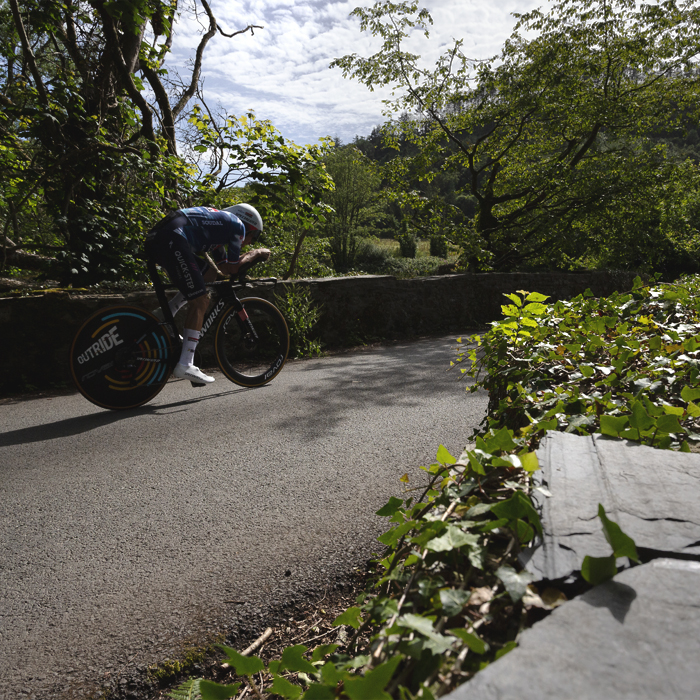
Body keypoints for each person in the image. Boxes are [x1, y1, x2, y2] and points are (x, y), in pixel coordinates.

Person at [144, 204, 270, 385]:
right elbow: (234, 268)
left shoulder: (218, 229)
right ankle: (186, 363)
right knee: (201, 300)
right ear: (248, 226)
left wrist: (244, 258)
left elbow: (224, 269)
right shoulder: (237, 226)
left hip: (161, 237)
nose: (250, 242)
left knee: (208, 275)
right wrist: (256, 253)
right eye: (254, 236)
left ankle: (164, 316)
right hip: (172, 238)